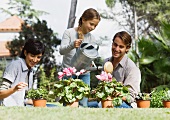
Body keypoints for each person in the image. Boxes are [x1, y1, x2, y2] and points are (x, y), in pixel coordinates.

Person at [59, 8, 101, 107]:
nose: (93, 27)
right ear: (83, 20)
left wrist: (90, 62)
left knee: (83, 104)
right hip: (69, 72)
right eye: (91, 24)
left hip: (84, 73)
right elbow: (61, 51)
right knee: (69, 103)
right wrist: (72, 45)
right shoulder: (69, 33)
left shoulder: (92, 38)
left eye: (95, 25)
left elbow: (90, 56)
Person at [0, 39, 45, 106]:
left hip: (20, 107)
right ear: (25, 53)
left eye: (38, 57)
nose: (35, 60)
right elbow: (1, 94)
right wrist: (15, 89)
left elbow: (24, 98)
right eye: (32, 56)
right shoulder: (15, 65)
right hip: (7, 107)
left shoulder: (31, 70)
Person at [103, 31, 141, 108]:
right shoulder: (106, 62)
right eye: (115, 45)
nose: (116, 49)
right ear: (112, 44)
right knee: (84, 105)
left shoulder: (132, 68)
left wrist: (117, 95)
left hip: (125, 104)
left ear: (127, 48)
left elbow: (132, 97)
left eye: (121, 47)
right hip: (106, 100)